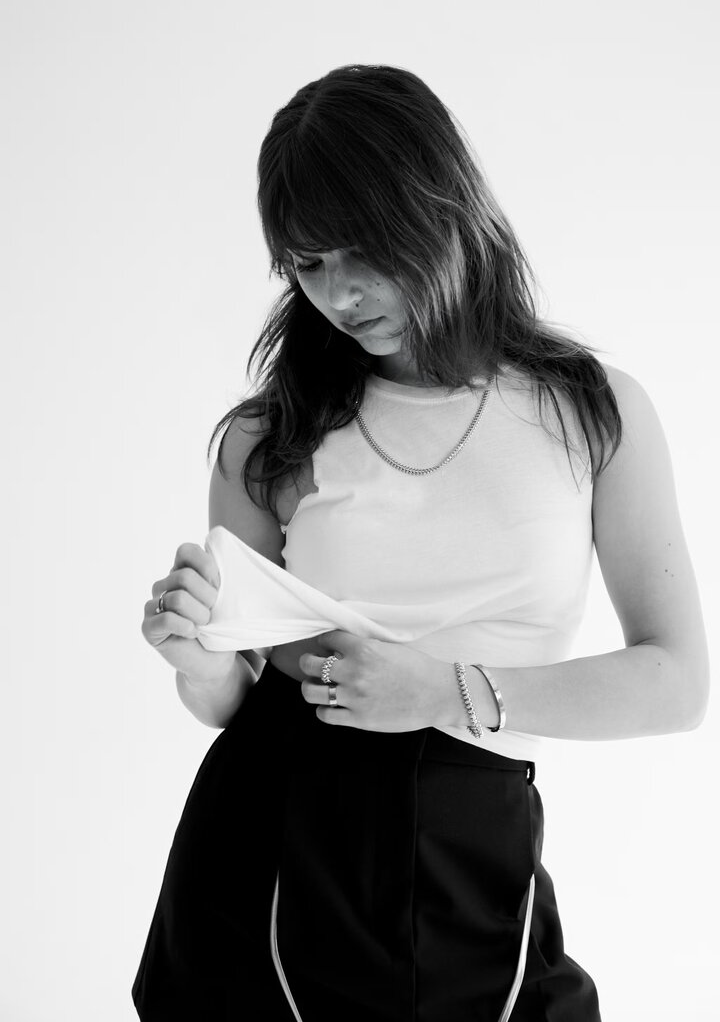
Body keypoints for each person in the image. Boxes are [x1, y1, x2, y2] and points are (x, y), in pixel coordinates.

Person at [131, 64, 709, 1022]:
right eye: (308, 263)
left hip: (478, 832)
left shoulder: (592, 413)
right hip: (278, 832)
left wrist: (441, 690)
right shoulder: (269, 438)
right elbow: (234, 698)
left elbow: (676, 682)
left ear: (438, 205)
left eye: (363, 248)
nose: (340, 292)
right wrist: (199, 662)